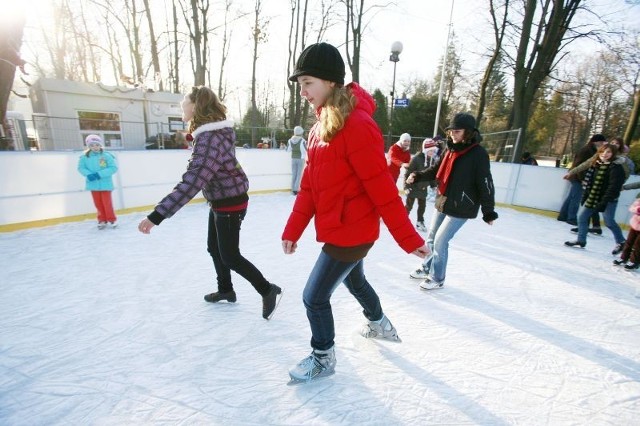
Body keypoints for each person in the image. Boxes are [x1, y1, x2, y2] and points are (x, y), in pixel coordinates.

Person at [281, 42, 429, 384]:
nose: (303, 92)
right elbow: (309, 189)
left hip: (352, 232)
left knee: (314, 297)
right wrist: (293, 230)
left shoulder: (357, 125)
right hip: (339, 227)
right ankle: (379, 323)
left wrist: (410, 240)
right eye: (300, 84)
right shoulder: (321, 128)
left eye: (308, 83)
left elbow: (382, 191)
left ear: (331, 82)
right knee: (355, 279)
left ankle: (323, 358)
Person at [137, 86, 282, 320]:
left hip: (229, 202)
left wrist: (156, 216)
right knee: (214, 248)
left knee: (230, 255)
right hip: (223, 198)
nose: (181, 106)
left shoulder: (208, 139)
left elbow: (192, 182)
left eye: (184, 102)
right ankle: (226, 289)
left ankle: (267, 290)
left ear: (195, 106)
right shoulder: (210, 135)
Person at [407, 112, 498, 290]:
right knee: (431, 238)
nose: (452, 134)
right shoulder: (450, 149)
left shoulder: (478, 154)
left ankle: (437, 277)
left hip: (463, 206)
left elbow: (486, 182)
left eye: (457, 131)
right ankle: (427, 268)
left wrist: (488, 210)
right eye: (451, 131)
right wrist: (417, 176)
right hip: (444, 200)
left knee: (441, 241)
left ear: (469, 132)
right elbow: (435, 170)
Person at [564, 144, 626, 254]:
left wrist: (604, 202)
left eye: (608, 152)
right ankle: (581, 240)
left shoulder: (616, 168)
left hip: (608, 199)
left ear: (613, 154)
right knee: (582, 217)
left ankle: (621, 242)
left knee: (609, 222)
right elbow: (590, 182)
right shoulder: (596, 164)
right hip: (593, 197)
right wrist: (586, 195)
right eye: (602, 152)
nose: (605, 154)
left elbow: (613, 188)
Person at [557, 134, 607, 225]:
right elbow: (579, 165)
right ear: (595, 141)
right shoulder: (587, 150)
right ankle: (571, 218)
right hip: (578, 177)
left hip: (577, 176)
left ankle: (563, 216)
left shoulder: (592, 150)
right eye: (601, 142)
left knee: (571, 197)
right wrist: (582, 179)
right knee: (576, 198)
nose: (602, 144)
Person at [77, 134, 118, 229]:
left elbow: (113, 168)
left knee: (107, 203)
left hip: (105, 184)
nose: (95, 147)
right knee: (98, 204)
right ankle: (102, 220)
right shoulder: (84, 157)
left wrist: (99, 174)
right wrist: (89, 174)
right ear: (88, 146)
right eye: (92, 145)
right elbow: (81, 168)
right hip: (93, 184)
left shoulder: (107, 156)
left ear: (100, 145)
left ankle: (111, 219)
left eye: (96, 144)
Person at [404, 138, 439, 232]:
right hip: (413, 187)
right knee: (409, 206)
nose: (432, 152)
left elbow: (431, 174)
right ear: (426, 149)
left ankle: (420, 221)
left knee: (422, 206)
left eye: (433, 150)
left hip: (423, 188)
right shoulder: (416, 159)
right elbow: (407, 174)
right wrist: (406, 187)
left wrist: (433, 185)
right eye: (430, 150)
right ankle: (402, 221)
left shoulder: (432, 160)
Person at [614, 181, 640, 270]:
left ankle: (634, 261)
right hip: (636, 223)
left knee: (638, 245)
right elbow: (633, 207)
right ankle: (624, 258)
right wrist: (637, 209)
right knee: (629, 242)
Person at [286, 125, 307, 195]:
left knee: (294, 174)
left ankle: (292, 188)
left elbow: (288, 150)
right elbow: (305, 150)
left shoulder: (290, 140)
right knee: (299, 174)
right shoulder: (302, 141)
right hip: (300, 159)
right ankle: (296, 189)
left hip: (293, 159)